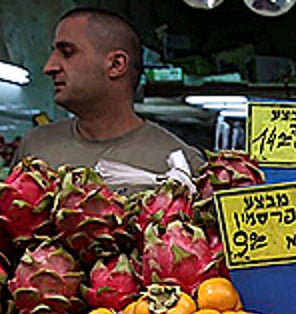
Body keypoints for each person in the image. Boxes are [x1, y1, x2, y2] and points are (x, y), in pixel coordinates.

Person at [14, 7, 204, 194]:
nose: (49, 67)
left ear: (116, 64)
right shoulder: (34, 147)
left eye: (67, 53)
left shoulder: (180, 163)